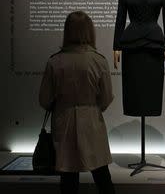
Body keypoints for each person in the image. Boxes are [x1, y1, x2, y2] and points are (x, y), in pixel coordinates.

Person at [39, 11, 115, 194]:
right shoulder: (98, 61)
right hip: (91, 122)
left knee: (68, 178)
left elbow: (44, 99)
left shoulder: (55, 61)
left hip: (64, 122)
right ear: (89, 31)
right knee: (102, 176)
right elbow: (106, 97)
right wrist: (93, 108)